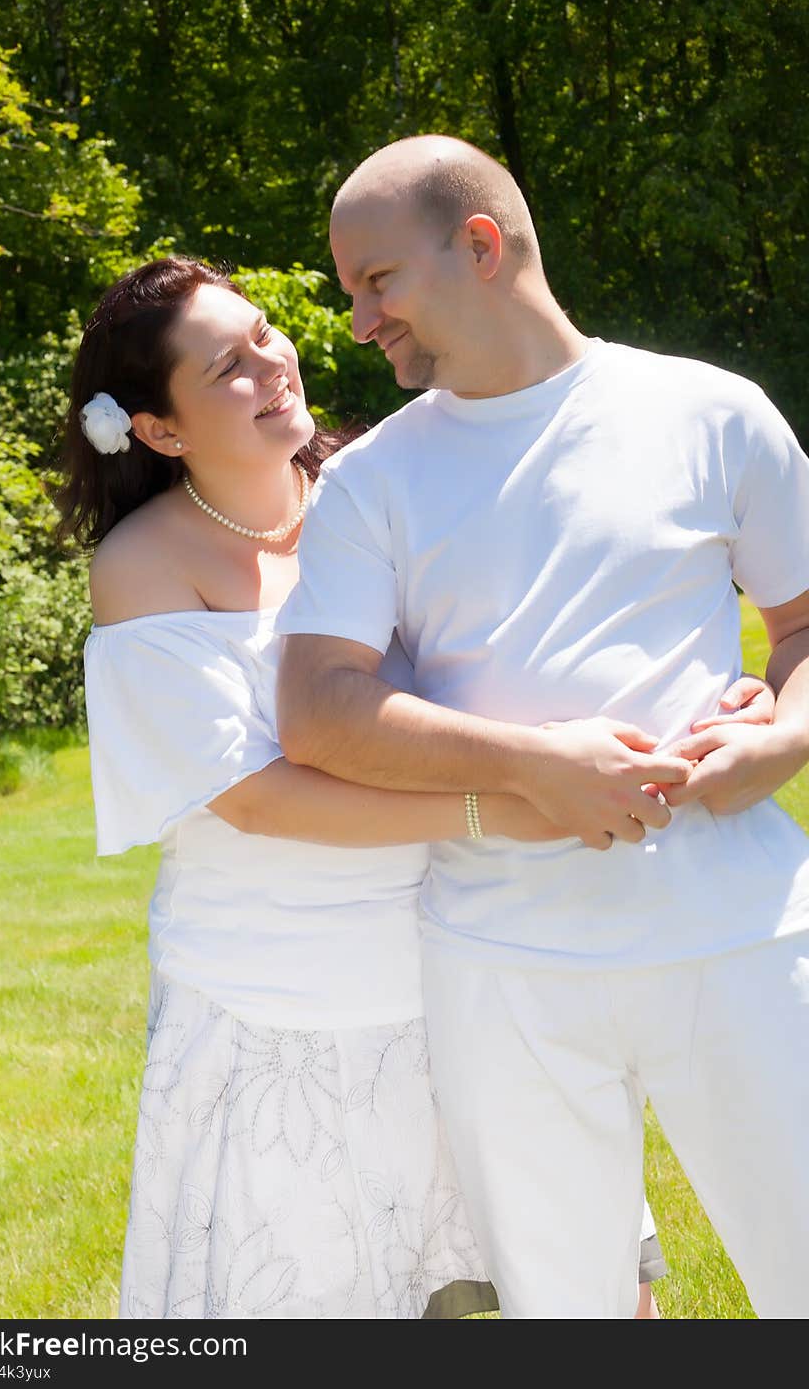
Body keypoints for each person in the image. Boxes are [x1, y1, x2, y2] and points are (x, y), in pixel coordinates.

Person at [56, 256, 767, 1318]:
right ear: (158, 430)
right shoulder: (146, 564)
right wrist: (514, 797)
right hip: (287, 1005)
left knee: (597, 1297)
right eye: (227, 367)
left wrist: (715, 704)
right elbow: (257, 798)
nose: (271, 366)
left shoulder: (380, 483)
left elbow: (533, 647)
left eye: (263, 335)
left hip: (478, 953)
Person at [275, 135, 809, 1319]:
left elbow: (804, 622)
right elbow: (315, 707)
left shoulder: (712, 413)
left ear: (478, 246)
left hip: (743, 932)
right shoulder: (372, 481)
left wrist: (783, 734)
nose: (359, 322)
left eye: (377, 281)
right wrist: (529, 765)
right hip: (501, 967)